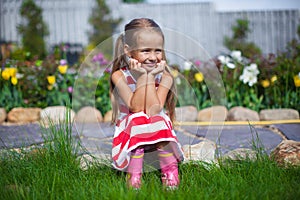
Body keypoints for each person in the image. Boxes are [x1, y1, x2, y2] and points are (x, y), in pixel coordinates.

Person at [110, 18, 184, 190]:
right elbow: (135, 107)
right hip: (129, 132)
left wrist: (149, 76)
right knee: (137, 118)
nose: (152, 57)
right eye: (145, 51)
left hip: (158, 129)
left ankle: (170, 171)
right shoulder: (119, 76)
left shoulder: (165, 76)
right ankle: (134, 176)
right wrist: (145, 76)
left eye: (158, 51)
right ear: (129, 51)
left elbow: (154, 109)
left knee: (156, 117)